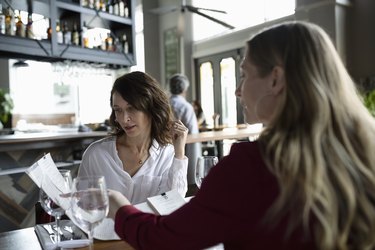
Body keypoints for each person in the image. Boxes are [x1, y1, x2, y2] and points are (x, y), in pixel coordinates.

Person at [107, 21, 375, 250]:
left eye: (244, 74)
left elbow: (162, 238)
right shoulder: (364, 148)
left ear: (275, 80)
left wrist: (118, 206)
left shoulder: (251, 167)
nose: (237, 91)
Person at [78, 71, 189, 205]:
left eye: (132, 108)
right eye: (118, 110)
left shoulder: (168, 154)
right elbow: (82, 206)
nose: (125, 119)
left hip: (149, 226)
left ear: (151, 108)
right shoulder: (96, 154)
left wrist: (179, 154)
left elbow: (173, 203)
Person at [169, 73, 202, 185]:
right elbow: (193, 134)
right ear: (184, 89)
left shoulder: (165, 104)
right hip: (184, 149)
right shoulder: (186, 107)